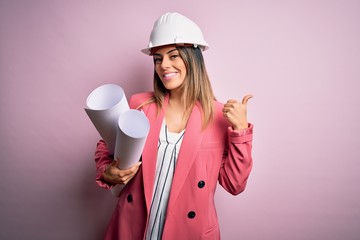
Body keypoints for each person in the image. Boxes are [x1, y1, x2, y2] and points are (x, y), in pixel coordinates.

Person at [94, 12, 254, 240]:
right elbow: (107, 144)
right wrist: (107, 172)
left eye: (173, 56)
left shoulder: (219, 115)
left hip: (190, 232)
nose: (163, 66)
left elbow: (234, 185)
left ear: (193, 59)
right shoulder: (140, 105)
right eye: (157, 58)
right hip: (133, 228)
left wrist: (241, 132)